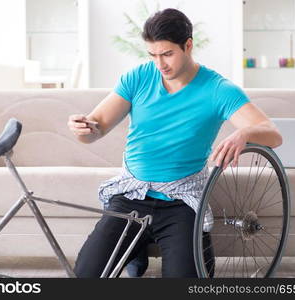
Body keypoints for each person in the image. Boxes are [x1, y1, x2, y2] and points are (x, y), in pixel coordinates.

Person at [67, 8, 282, 278]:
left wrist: (244, 134)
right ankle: (137, 247)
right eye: (153, 55)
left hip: (181, 201)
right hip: (132, 195)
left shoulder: (218, 89)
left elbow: (272, 133)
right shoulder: (138, 78)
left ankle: (141, 245)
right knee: (86, 274)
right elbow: (95, 128)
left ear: (188, 45)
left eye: (167, 54)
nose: (160, 64)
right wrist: (83, 128)